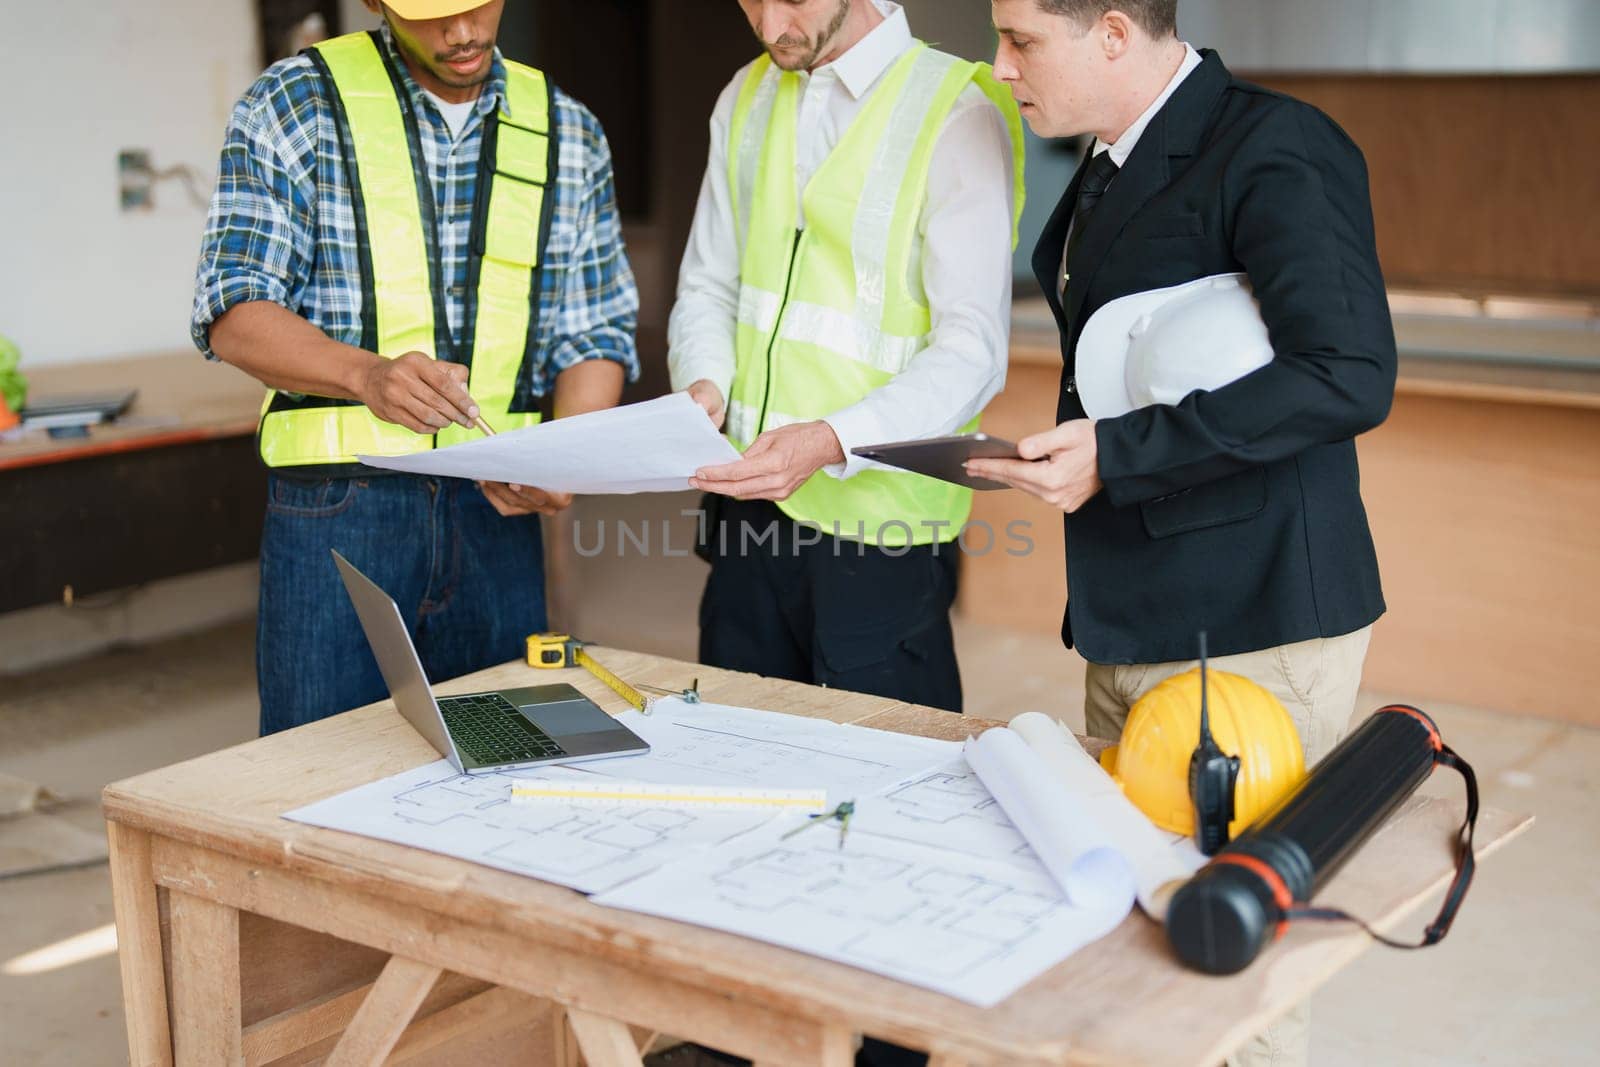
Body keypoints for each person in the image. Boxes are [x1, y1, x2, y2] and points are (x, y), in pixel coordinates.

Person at [970, 3, 1397, 1064]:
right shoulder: (1105, 171)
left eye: (1021, 39)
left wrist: (1116, 453)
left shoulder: (1272, 144)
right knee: (1139, 931)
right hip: (1132, 617)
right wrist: (1085, 451)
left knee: (1230, 954)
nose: (999, 63)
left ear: (1113, 33)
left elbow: (1347, 371)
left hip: (1249, 623)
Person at [192, 0, 638, 736]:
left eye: (475, 6)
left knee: (503, 760)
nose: (460, 32)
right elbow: (233, 310)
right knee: (319, 770)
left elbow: (594, 329)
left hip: (498, 516)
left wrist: (570, 453)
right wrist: (367, 376)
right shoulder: (295, 104)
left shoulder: (568, 131)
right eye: (432, 14)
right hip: (339, 514)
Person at [669, 0, 1024, 715]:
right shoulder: (744, 94)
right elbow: (710, 283)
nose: (770, 27)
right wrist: (705, 382)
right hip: (750, 510)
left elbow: (973, 350)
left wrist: (834, 439)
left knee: (888, 776)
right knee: (735, 756)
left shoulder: (958, 112)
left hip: (881, 530)